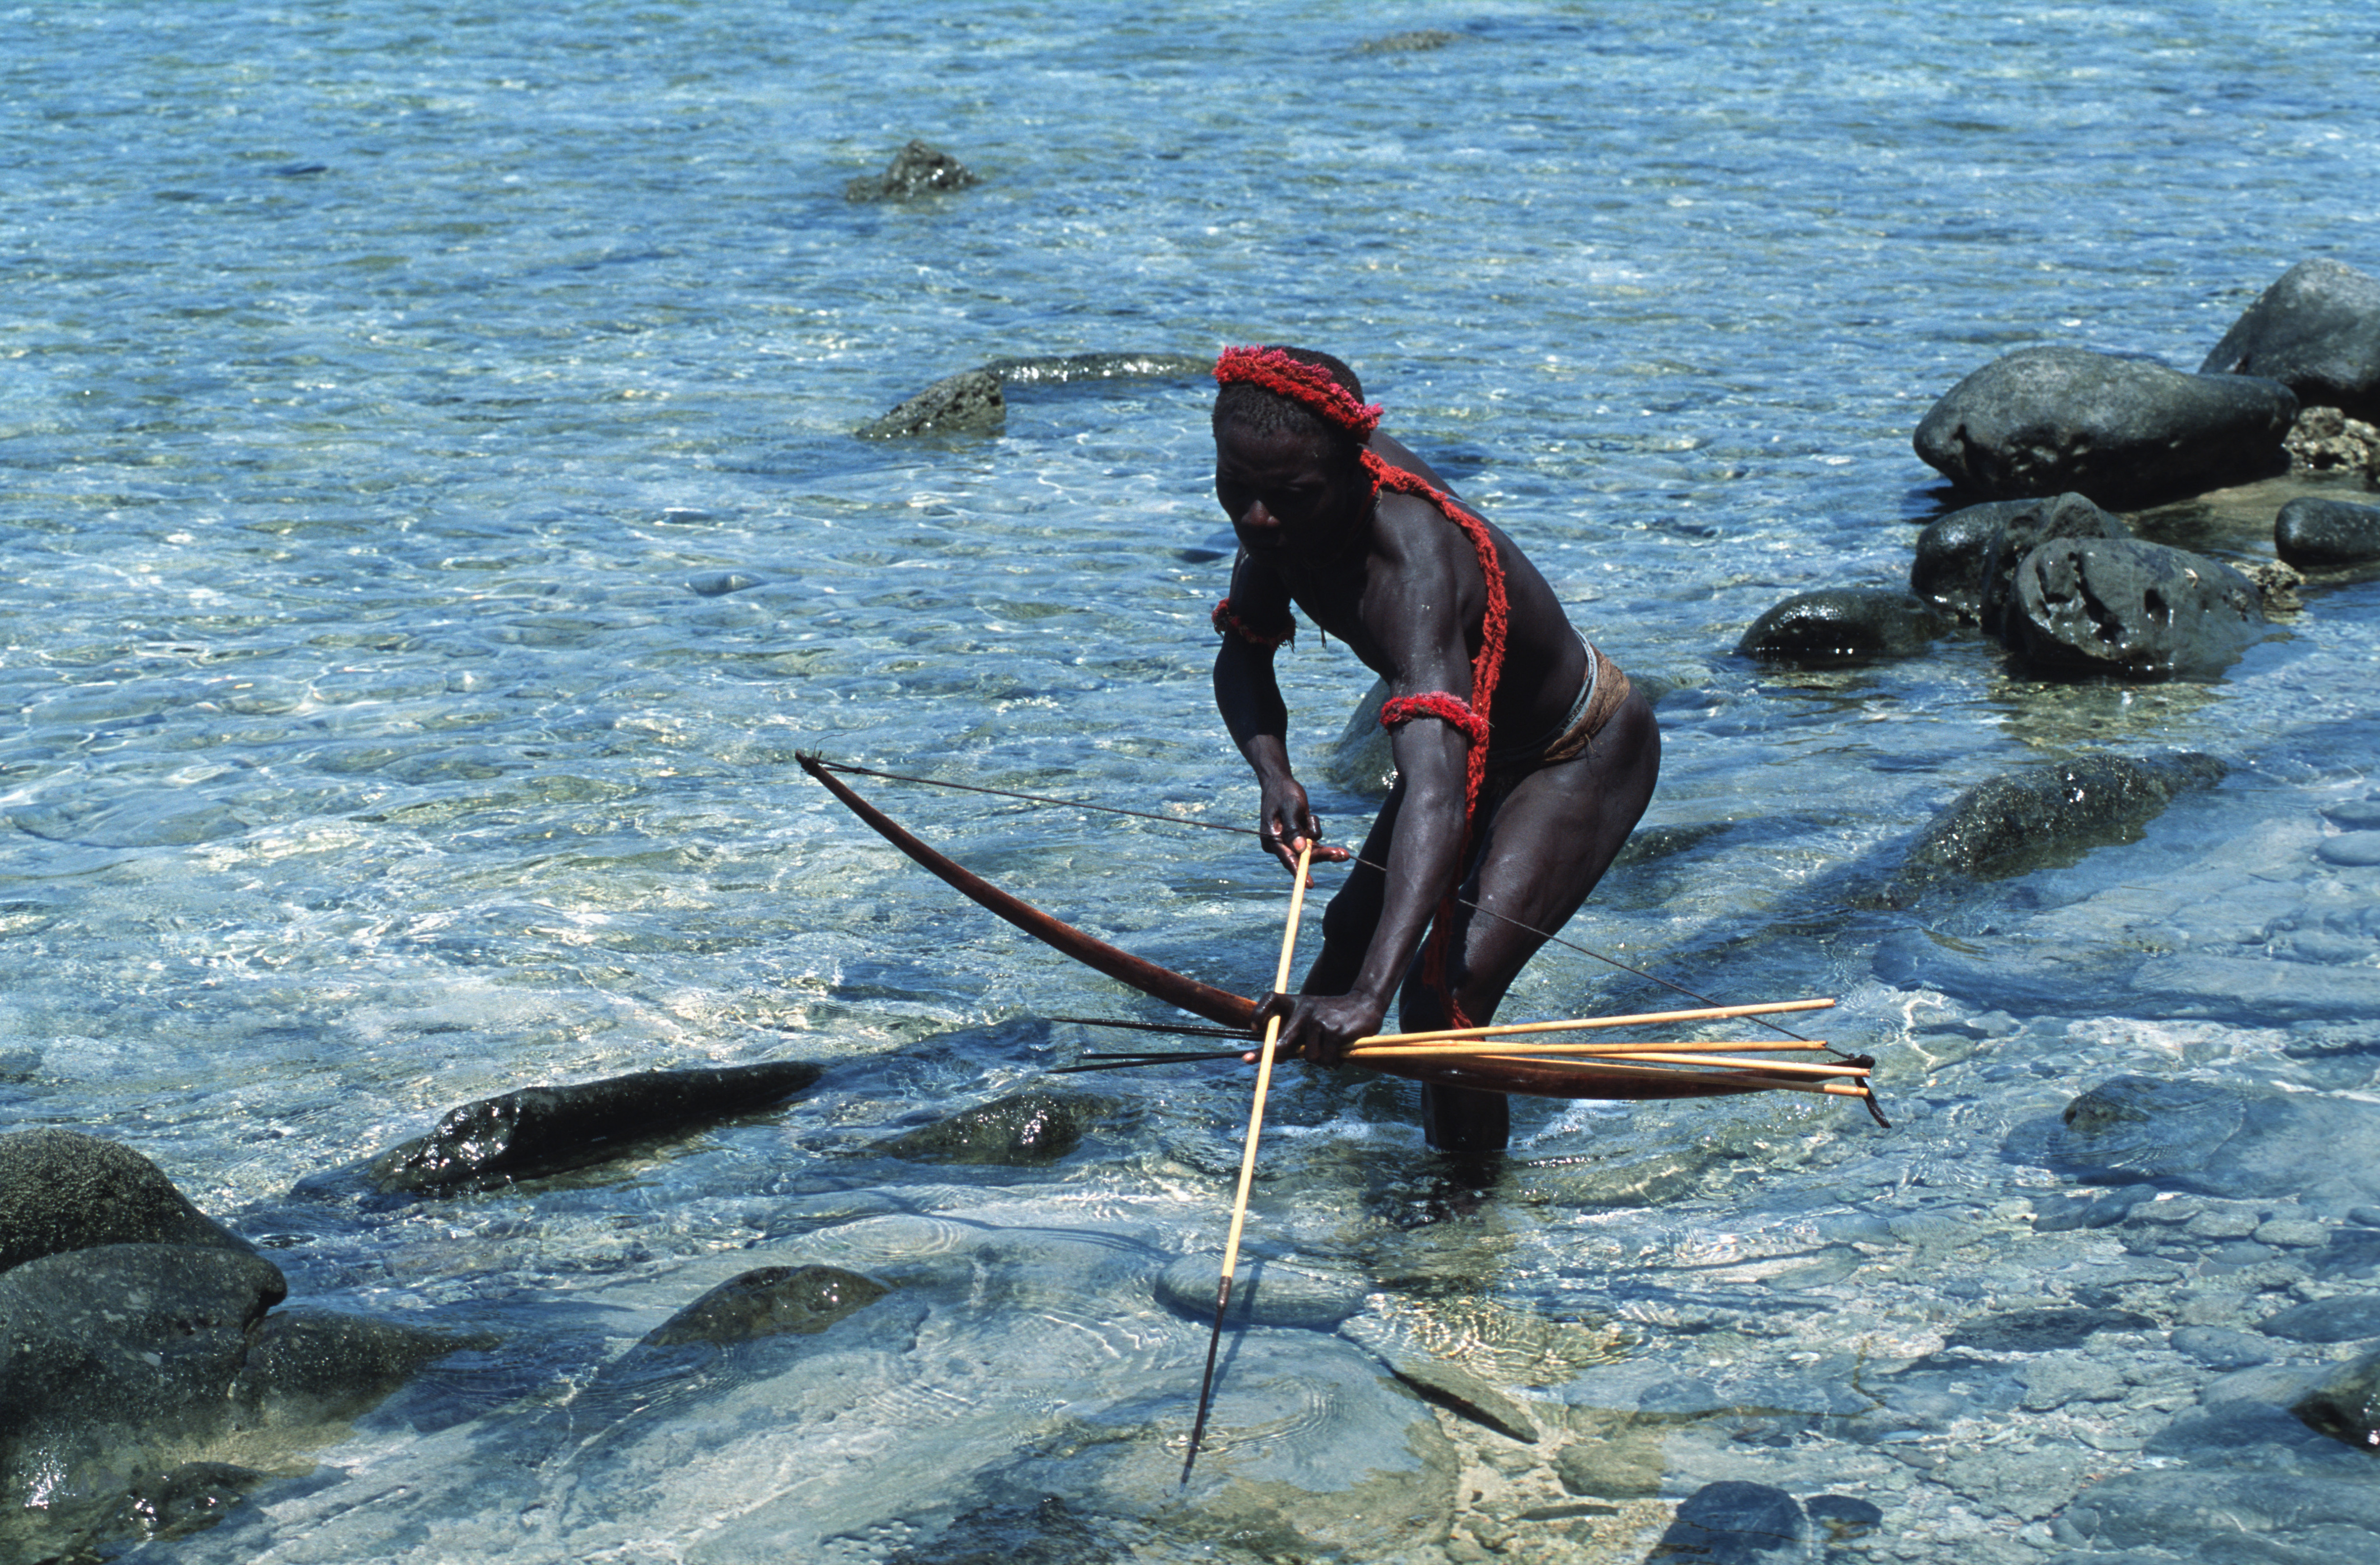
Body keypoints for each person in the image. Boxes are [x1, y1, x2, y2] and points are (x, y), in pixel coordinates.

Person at [1209, 346, 1661, 1154]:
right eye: (1235, 488)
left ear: (1350, 470)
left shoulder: (1411, 564)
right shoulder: (1285, 499)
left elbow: (1435, 793)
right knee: (1349, 931)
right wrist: (1273, 773)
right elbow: (1245, 652)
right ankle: (1286, 1130)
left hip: (1574, 753)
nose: (1256, 520)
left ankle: (1461, 1227)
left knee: (1438, 1007)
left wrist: (1374, 999)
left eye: (1286, 498)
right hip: (1478, 742)